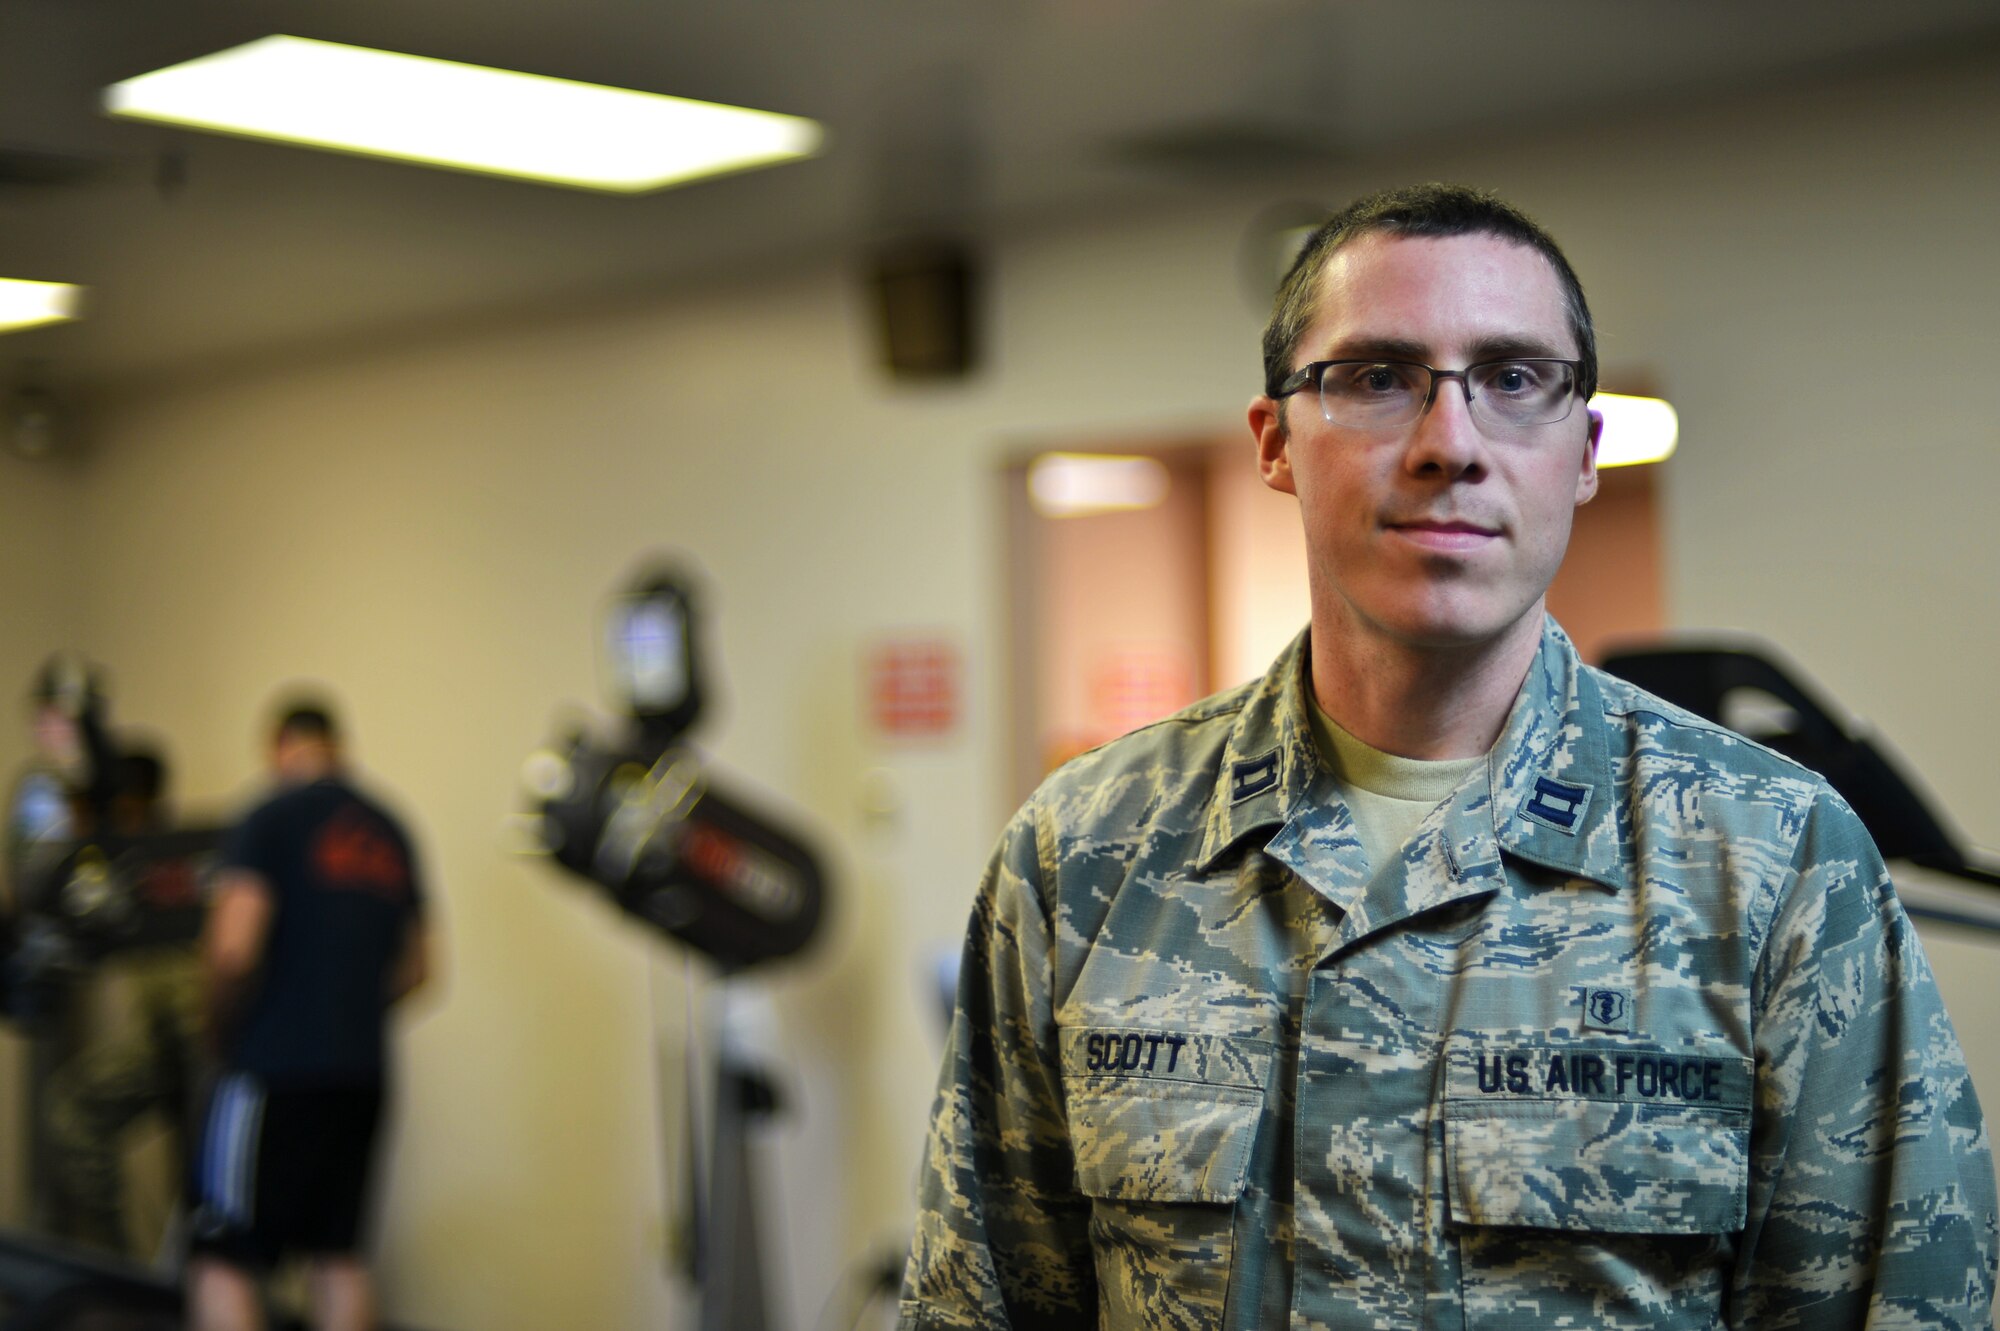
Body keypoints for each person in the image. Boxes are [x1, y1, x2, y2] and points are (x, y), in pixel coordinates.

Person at [899, 184, 1998, 1329]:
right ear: (1275, 443)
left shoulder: (1771, 856)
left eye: (1514, 379)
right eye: (1377, 377)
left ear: (1582, 450)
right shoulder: (1085, 849)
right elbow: (976, 1303)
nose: (1449, 444)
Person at [187, 700, 431, 1331]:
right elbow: (419, 969)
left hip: (272, 1070)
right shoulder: (390, 829)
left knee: (223, 1257)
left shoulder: (269, 816)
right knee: (337, 1256)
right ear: (337, 745)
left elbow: (234, 949)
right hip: (361, 1073)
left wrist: (216, 1026)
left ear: (277, 747)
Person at [43, 744, 206, 1256]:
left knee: (208, 1187)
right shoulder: (115, 865)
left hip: (210, 1048)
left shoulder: (186, 860)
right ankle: (120, 1279)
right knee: (73, 1114)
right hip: (161, 1047)